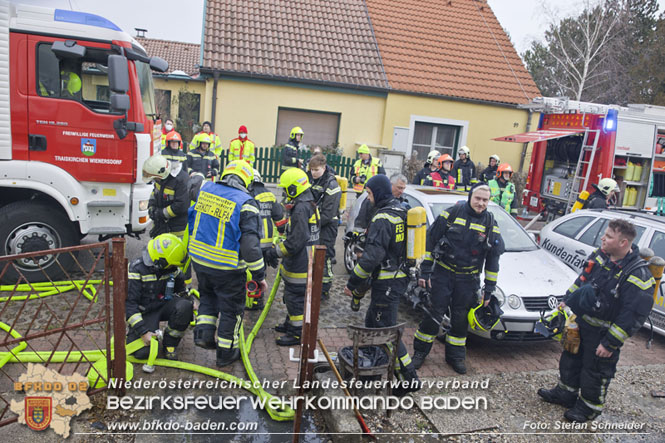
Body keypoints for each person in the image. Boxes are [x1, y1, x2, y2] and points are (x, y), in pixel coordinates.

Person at [537, 219, 654, 422]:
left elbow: (633, 315)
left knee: (595, 371)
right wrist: (566, 301)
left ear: (623, 243)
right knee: (571, 359)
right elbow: (582, 280)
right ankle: (566, 394)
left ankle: (589, 408)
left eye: (609, 236)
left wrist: (610, 343)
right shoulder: (601, 256)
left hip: (603, 334)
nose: (603, 238)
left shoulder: (637, 274)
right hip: (582, 324)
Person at [412, 183, 504, 374]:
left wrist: (489, 289)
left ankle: (455, 357)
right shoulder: (452, 213)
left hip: (468, 280)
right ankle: (420, 353)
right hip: (443, 274)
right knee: (432, 314)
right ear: (470, 196)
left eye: (485, 200)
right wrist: (425, 271)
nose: (480, 203)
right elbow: (430, 241)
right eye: (477, 198)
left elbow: (493, 261)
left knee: (461, 320)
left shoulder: (490, 224)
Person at [344, 175, 420, 396]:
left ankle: (409, 378)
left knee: (386, 330)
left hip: (388, 282)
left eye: (369, 193)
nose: (368, 198)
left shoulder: (382, 218)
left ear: (379, 192)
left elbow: (370, 258)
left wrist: (352, 282)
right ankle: (375, 372)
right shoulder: (401, 210)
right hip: (399, 277)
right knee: (373, 323)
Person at [188, 160, 266, 367]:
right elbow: (250, 246)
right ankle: (226, 352)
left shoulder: (207, 190)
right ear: (246, 180)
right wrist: (259, 275)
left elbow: (191, 187)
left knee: (208, 297)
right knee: (231, 310)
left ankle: (203, 335)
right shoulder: (246, 202)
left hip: (199, 260)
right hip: (227, 267)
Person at [264, 168, 320, 346]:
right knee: (292, 296)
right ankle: (291, 324)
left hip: (300, 263)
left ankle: (297, 333)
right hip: (305, 259)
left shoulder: (301, 209)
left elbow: (296, 242)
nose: (284, 193)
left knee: (294, 297)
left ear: (294, 189)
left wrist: (274, 252)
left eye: (286, 189)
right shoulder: (308, 202)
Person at [126, 233, 193, 361]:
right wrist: (143, 331)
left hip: (163, 304)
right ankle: (135, 334)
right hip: (144, 311)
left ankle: (170, 344)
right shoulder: (136, 270)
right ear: (160, 262)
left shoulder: (170, 268)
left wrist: (190, 301)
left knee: (185, 307)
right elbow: (130, 305)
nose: (175, 268)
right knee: (142, 354)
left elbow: (181, 289)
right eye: (172, 265)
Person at [248, 169, 287, 310]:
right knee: (261, 271)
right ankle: (259, 300)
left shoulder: (248, 195)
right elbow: (279, 218)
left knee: (251, 270)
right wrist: (281, 234)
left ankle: (251, 301)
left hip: (253, 241)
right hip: (267, 242)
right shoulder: (269, 194)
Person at [307, 153, 341, 300]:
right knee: (313, 255)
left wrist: (312, 222)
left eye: (317, 170)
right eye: (312, 170)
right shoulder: (312, 180)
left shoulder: (331, 185)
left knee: (325, 256)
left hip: (327, 226)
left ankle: (324, 289)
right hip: (316, 223)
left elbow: (328, 213)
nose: (314, 173)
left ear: (324, 167)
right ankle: (315, 283)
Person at [144, 154, 189, 239]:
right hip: (162, 226)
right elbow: (155, 193)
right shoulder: (161, 178)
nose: (155, 180)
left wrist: (160, 213)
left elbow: (181, 205)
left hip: (177, 230)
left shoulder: (181, 180)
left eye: (155, 178)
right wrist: (151, 207)